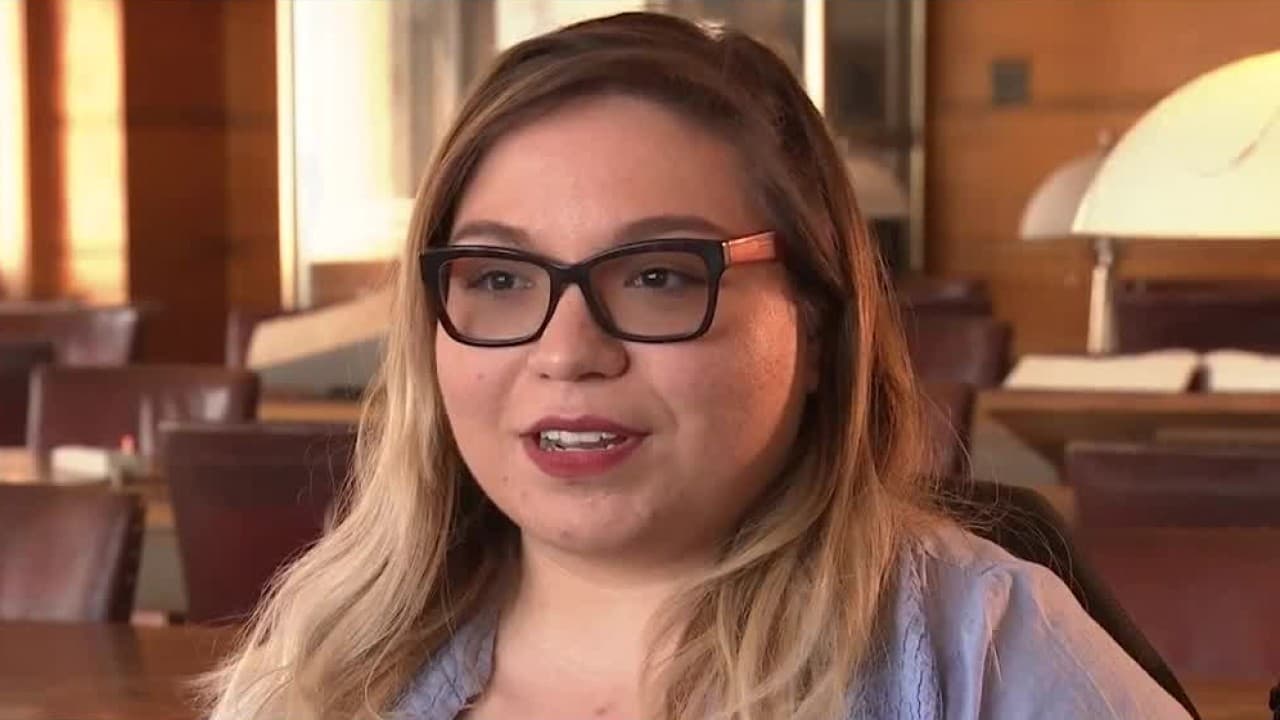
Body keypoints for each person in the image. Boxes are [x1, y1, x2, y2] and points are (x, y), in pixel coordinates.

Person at [205, 13, 1191, 720]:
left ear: (816, 322)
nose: (567, 351)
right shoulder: (318, 669)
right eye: (499, 278)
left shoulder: (980, 645)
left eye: (657, 277)